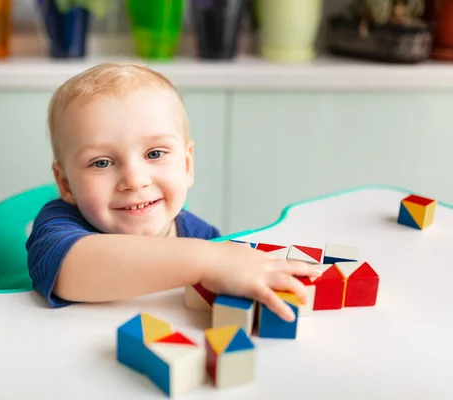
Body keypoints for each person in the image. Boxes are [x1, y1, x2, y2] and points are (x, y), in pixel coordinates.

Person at [26, 61, 320, 322]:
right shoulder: (57, 226)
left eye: (154, 154)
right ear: (65, 184)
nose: (135, 180)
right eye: (102, 162)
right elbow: (73, 269)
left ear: (187, 165)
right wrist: (210, 261)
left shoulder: (200, 235)